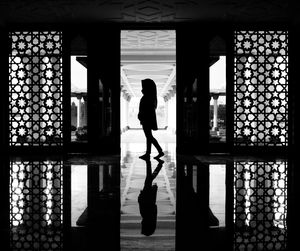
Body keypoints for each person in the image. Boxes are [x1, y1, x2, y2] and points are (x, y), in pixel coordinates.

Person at [138, 78, 164, 159]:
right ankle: (149, 153)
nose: (142, 89)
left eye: (143, 87)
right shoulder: (149, 98)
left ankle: (159, 151)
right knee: (149, 136)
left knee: (149, 136)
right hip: (146, 119)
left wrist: (141, 117)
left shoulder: (147, 98)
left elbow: (145, 110)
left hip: (146, 120)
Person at [138, 158, 164, 236]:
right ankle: (148, 161)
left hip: (147, 196)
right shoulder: (147, 216)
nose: (141, 224)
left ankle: (158, 164)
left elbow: (153, 206)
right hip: (147, 196)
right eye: (143, 226)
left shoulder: (149, 217)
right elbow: (146, 204)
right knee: (149, 178)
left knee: (149, 178)